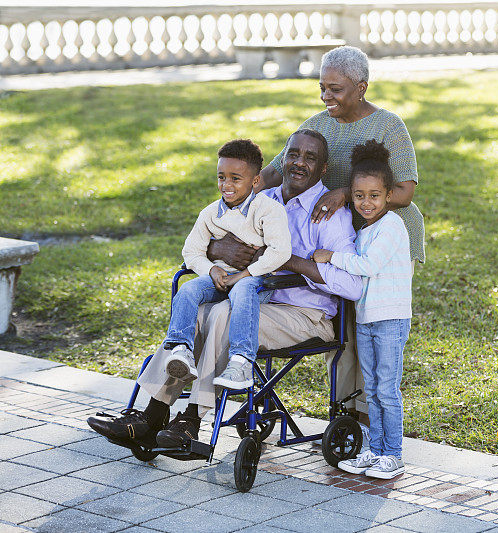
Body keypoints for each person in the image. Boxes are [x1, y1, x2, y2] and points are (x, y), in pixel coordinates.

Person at [87, 130, 362, 450]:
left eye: (310, 158)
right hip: (255, 299)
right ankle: (153, 415)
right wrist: (223, 251)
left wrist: (290, 262)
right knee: (198, 312)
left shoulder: (330, 214)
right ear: (282, 158)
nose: (299, 163)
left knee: (219, 314)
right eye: (293, 154)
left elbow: (352, 284)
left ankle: (191, 420)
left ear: (323, 168)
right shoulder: (261, 201)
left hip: (305, 313)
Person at [209, 45, 424, 417]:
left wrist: (345, 192)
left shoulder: (389, 125)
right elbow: (276, 171)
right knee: (338, 314)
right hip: (333, 234)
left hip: (381, 236)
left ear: (361, 87)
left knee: (363, 323)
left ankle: (358, 413)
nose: (327, 96)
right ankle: (344, 411)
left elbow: (404, 191)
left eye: (336, 89)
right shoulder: (317, 123)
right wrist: (236, 202)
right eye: (322, 87)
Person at [313, 140, 412, 479]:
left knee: (387, 388)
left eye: (374, 195)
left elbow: (367, 265)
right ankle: (375, 451)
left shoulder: (392, 226)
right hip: (368, 318)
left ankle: (393, 455)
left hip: (390, 319)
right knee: (371, 389)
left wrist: (331, 257)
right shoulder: (366, 228)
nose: (366, 203)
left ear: (388, 196)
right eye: (359, 196)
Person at [165, 139, 291, 392]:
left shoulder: (269, 210)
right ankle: (181, 349)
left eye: (236, 178)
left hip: (256, 279)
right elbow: (191, 250)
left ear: (255, 181)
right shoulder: (210, 213)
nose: (227, 185)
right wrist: (211, 270)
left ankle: (241, 361)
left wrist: (244, 274)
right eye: (221, 177)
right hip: (220, 277)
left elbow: (281, 252)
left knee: (244, 290)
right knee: (188, 290)